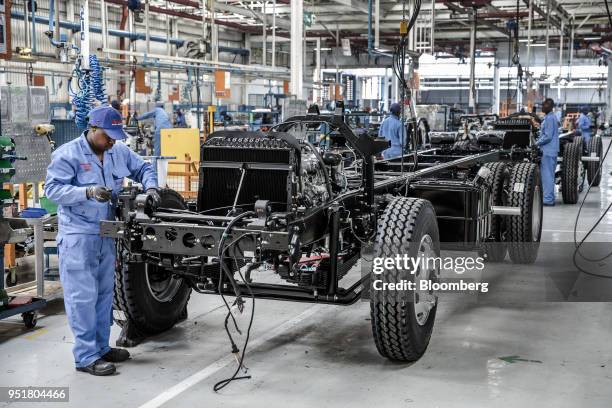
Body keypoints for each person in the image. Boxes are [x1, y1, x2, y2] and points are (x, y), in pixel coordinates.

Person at [45, 106, 161, 376]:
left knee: (104, 296)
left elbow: (142, 167)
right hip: (79, 237)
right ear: (93, 128)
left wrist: (152, 187)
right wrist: (86, 192)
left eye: (115, 137)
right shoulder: (68, 154)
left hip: (107, 234)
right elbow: (52, 190)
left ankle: (101, 347)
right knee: (82, 298)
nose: (112, 141)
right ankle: (86, 356)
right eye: (108, 136)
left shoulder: (116, 151)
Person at [536, 98, 560, 207]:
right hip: (549, 150)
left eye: (544, 105)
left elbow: (548, 136)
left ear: (550, 106)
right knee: (548, 175)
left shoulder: (550, 118)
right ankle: (548, 198)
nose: (542, 107)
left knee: (547, 176)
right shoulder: (550, 117)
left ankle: (548, 200)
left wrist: (536, 143)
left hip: (548, 151)